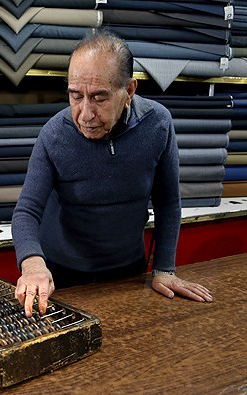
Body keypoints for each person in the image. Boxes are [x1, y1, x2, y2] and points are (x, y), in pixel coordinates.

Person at [11, 30, 213, 317]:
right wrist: (32, 264)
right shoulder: (54, 135)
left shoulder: (157, 124)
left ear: (129, 90)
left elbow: (168, 202)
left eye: (99, 98)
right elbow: (26, 211)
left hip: (127, 272)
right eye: (75, 96)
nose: (85, 114)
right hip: (61, 275)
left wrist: (164, 269)